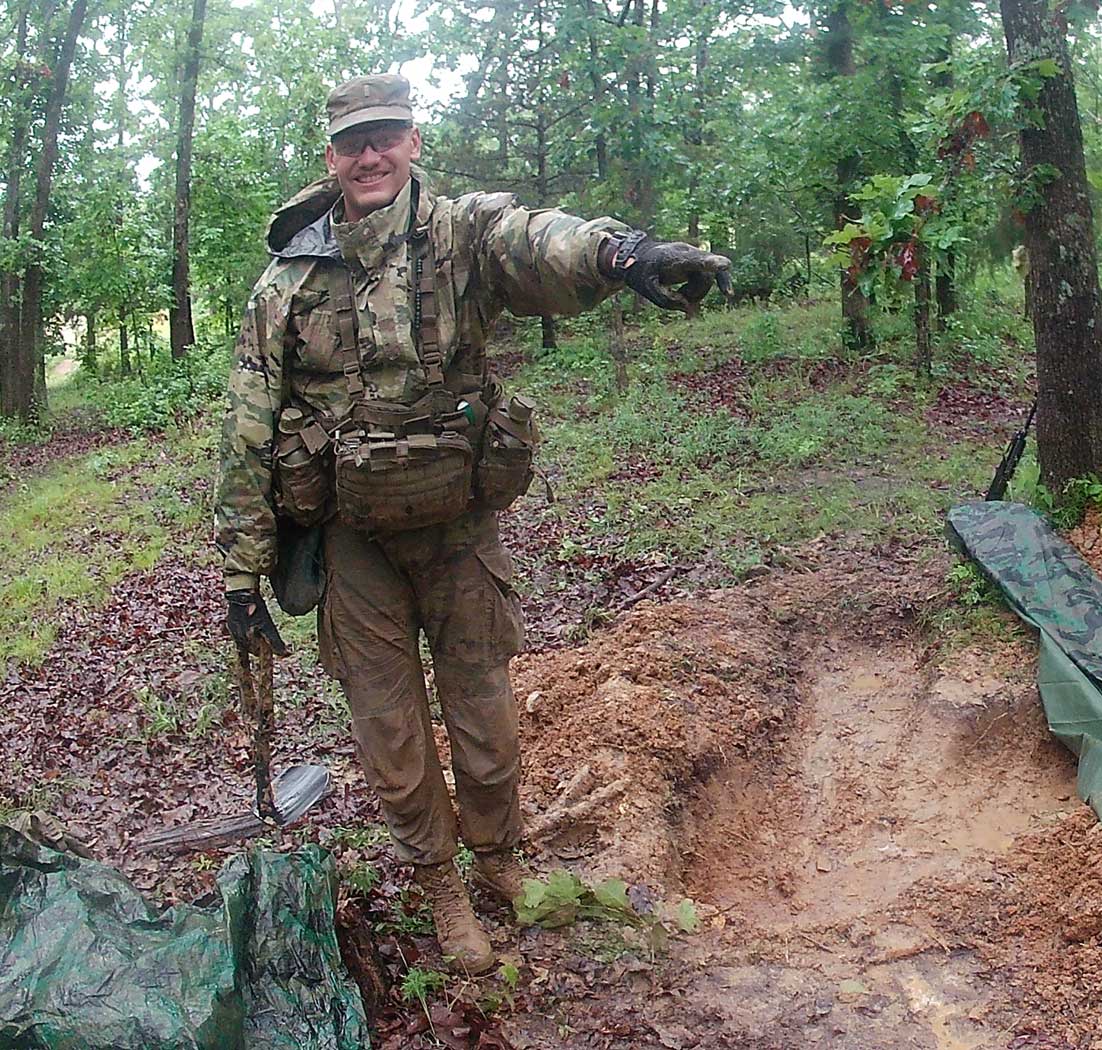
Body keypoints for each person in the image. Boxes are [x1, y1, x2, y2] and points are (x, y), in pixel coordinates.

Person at [214, 73, 731, 975]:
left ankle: (498, 858)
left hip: (457, 528)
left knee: (484, 714)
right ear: (330, 156)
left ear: (414, 141)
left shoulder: (461, 234)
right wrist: (240, 572)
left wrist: (622, 256)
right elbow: (249, 423)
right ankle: (440, 884)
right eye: (351, 142)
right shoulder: (289, 278)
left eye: (385, 136)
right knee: (392, 732)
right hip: (351, 543)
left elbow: (535, 241)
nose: (369, 156)